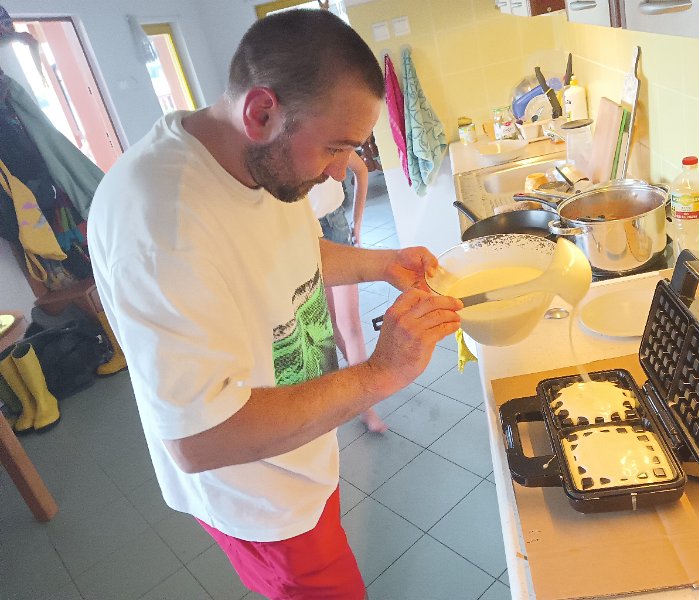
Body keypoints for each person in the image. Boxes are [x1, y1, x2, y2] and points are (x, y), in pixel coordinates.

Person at [87, 9, 461, 600]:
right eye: (334, 148)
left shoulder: (259, 161)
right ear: (261, 112)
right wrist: (381, 372)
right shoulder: (163, 228)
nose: (338, 171)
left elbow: (290, 251)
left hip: (300, 448)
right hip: (259, 496)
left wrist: (380, 264)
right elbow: (198, 440)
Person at [308, 153, 388, 433]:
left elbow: (361, 170)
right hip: (305, 235)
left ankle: (366, 404)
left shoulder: (329, 146)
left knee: (350, 324)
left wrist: (357, 221)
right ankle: (357, 381)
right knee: (332, 324)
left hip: (335, 226)